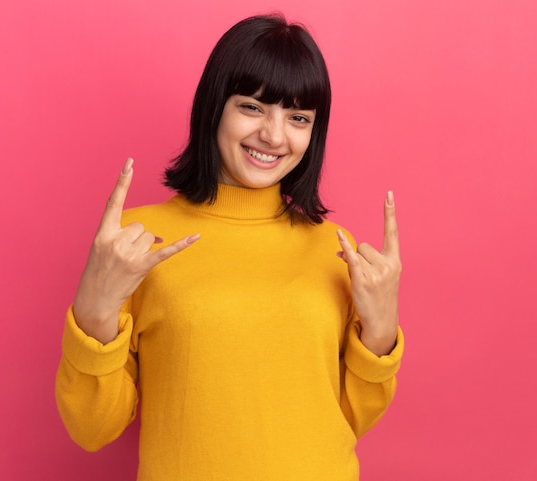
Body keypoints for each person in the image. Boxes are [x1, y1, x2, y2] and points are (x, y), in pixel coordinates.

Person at [56, 14, 404, 481]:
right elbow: (92, 428)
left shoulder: (334, 252)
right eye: (253, 107)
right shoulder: (135, 243)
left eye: (298, 117)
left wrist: (379, 335)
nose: (274, 136)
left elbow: (346, 420)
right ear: (215, 105)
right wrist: (94, 315)